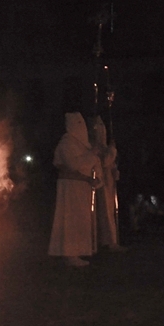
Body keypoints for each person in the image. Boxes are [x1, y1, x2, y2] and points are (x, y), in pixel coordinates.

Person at [48, 112, 102, 267]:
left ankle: (78, 251)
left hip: (81, 188)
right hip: (70, 187)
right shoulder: (66, 143)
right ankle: (69, 253)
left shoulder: (82, 144)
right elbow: (73, 165)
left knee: (80, 219)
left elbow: (93, 163)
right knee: (70, 219)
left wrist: (97, 177)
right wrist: (92, 155)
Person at [90, 115, 126, 251]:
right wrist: (112, 151)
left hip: (109, 181)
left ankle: (110, 240)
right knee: (105, 211)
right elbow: (104, 162)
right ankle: (109, 241)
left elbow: (111, 164)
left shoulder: (104, 146)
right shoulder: (95, 147)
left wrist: (115, 171)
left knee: (110, 211)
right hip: (102, 182)